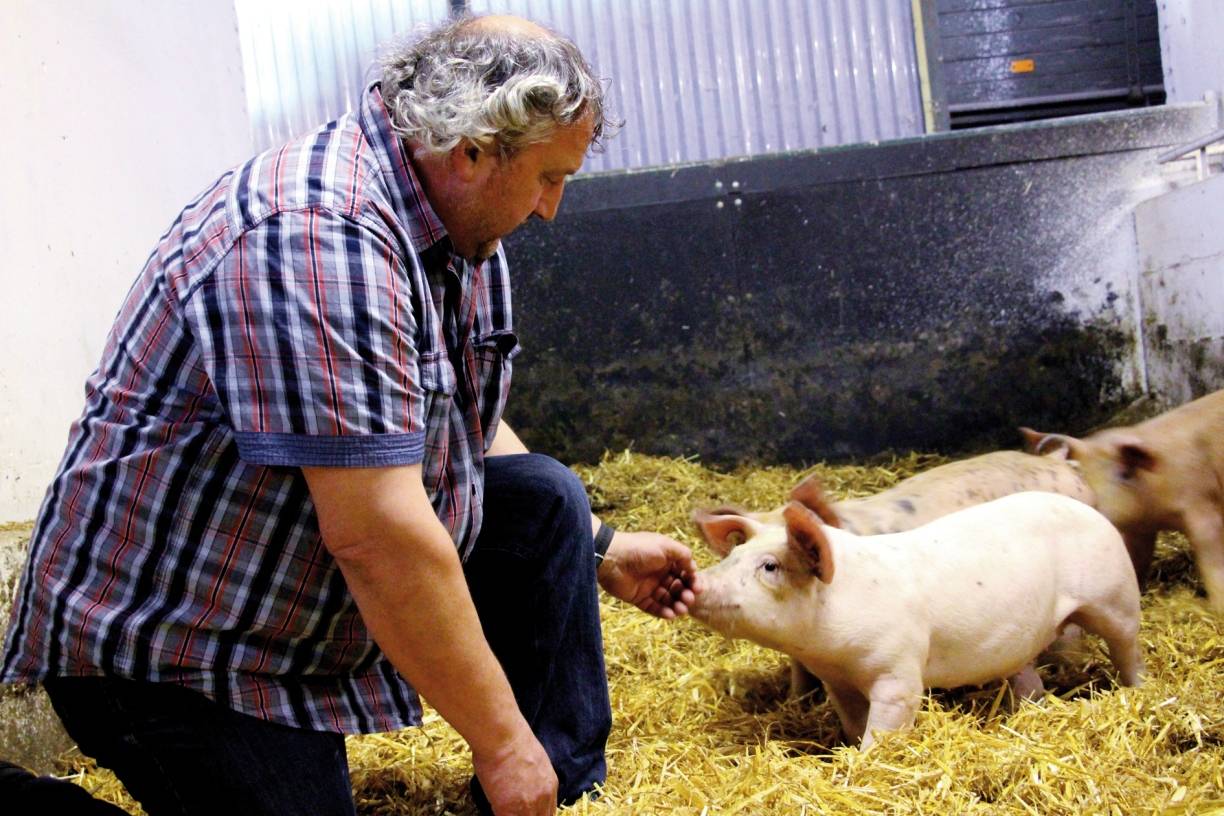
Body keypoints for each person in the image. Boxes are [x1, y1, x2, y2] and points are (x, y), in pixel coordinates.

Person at [0, 13, 698, 816]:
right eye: (548, 177)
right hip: (177, 643)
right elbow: (377, 536)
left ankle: (561, 794)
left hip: (282, 588)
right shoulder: (318, 233)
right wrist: (501, 745)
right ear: (471, 151)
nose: (551, 208)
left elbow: (459, 427)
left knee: (544, 501)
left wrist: (602, 548)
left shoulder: (454, 232)